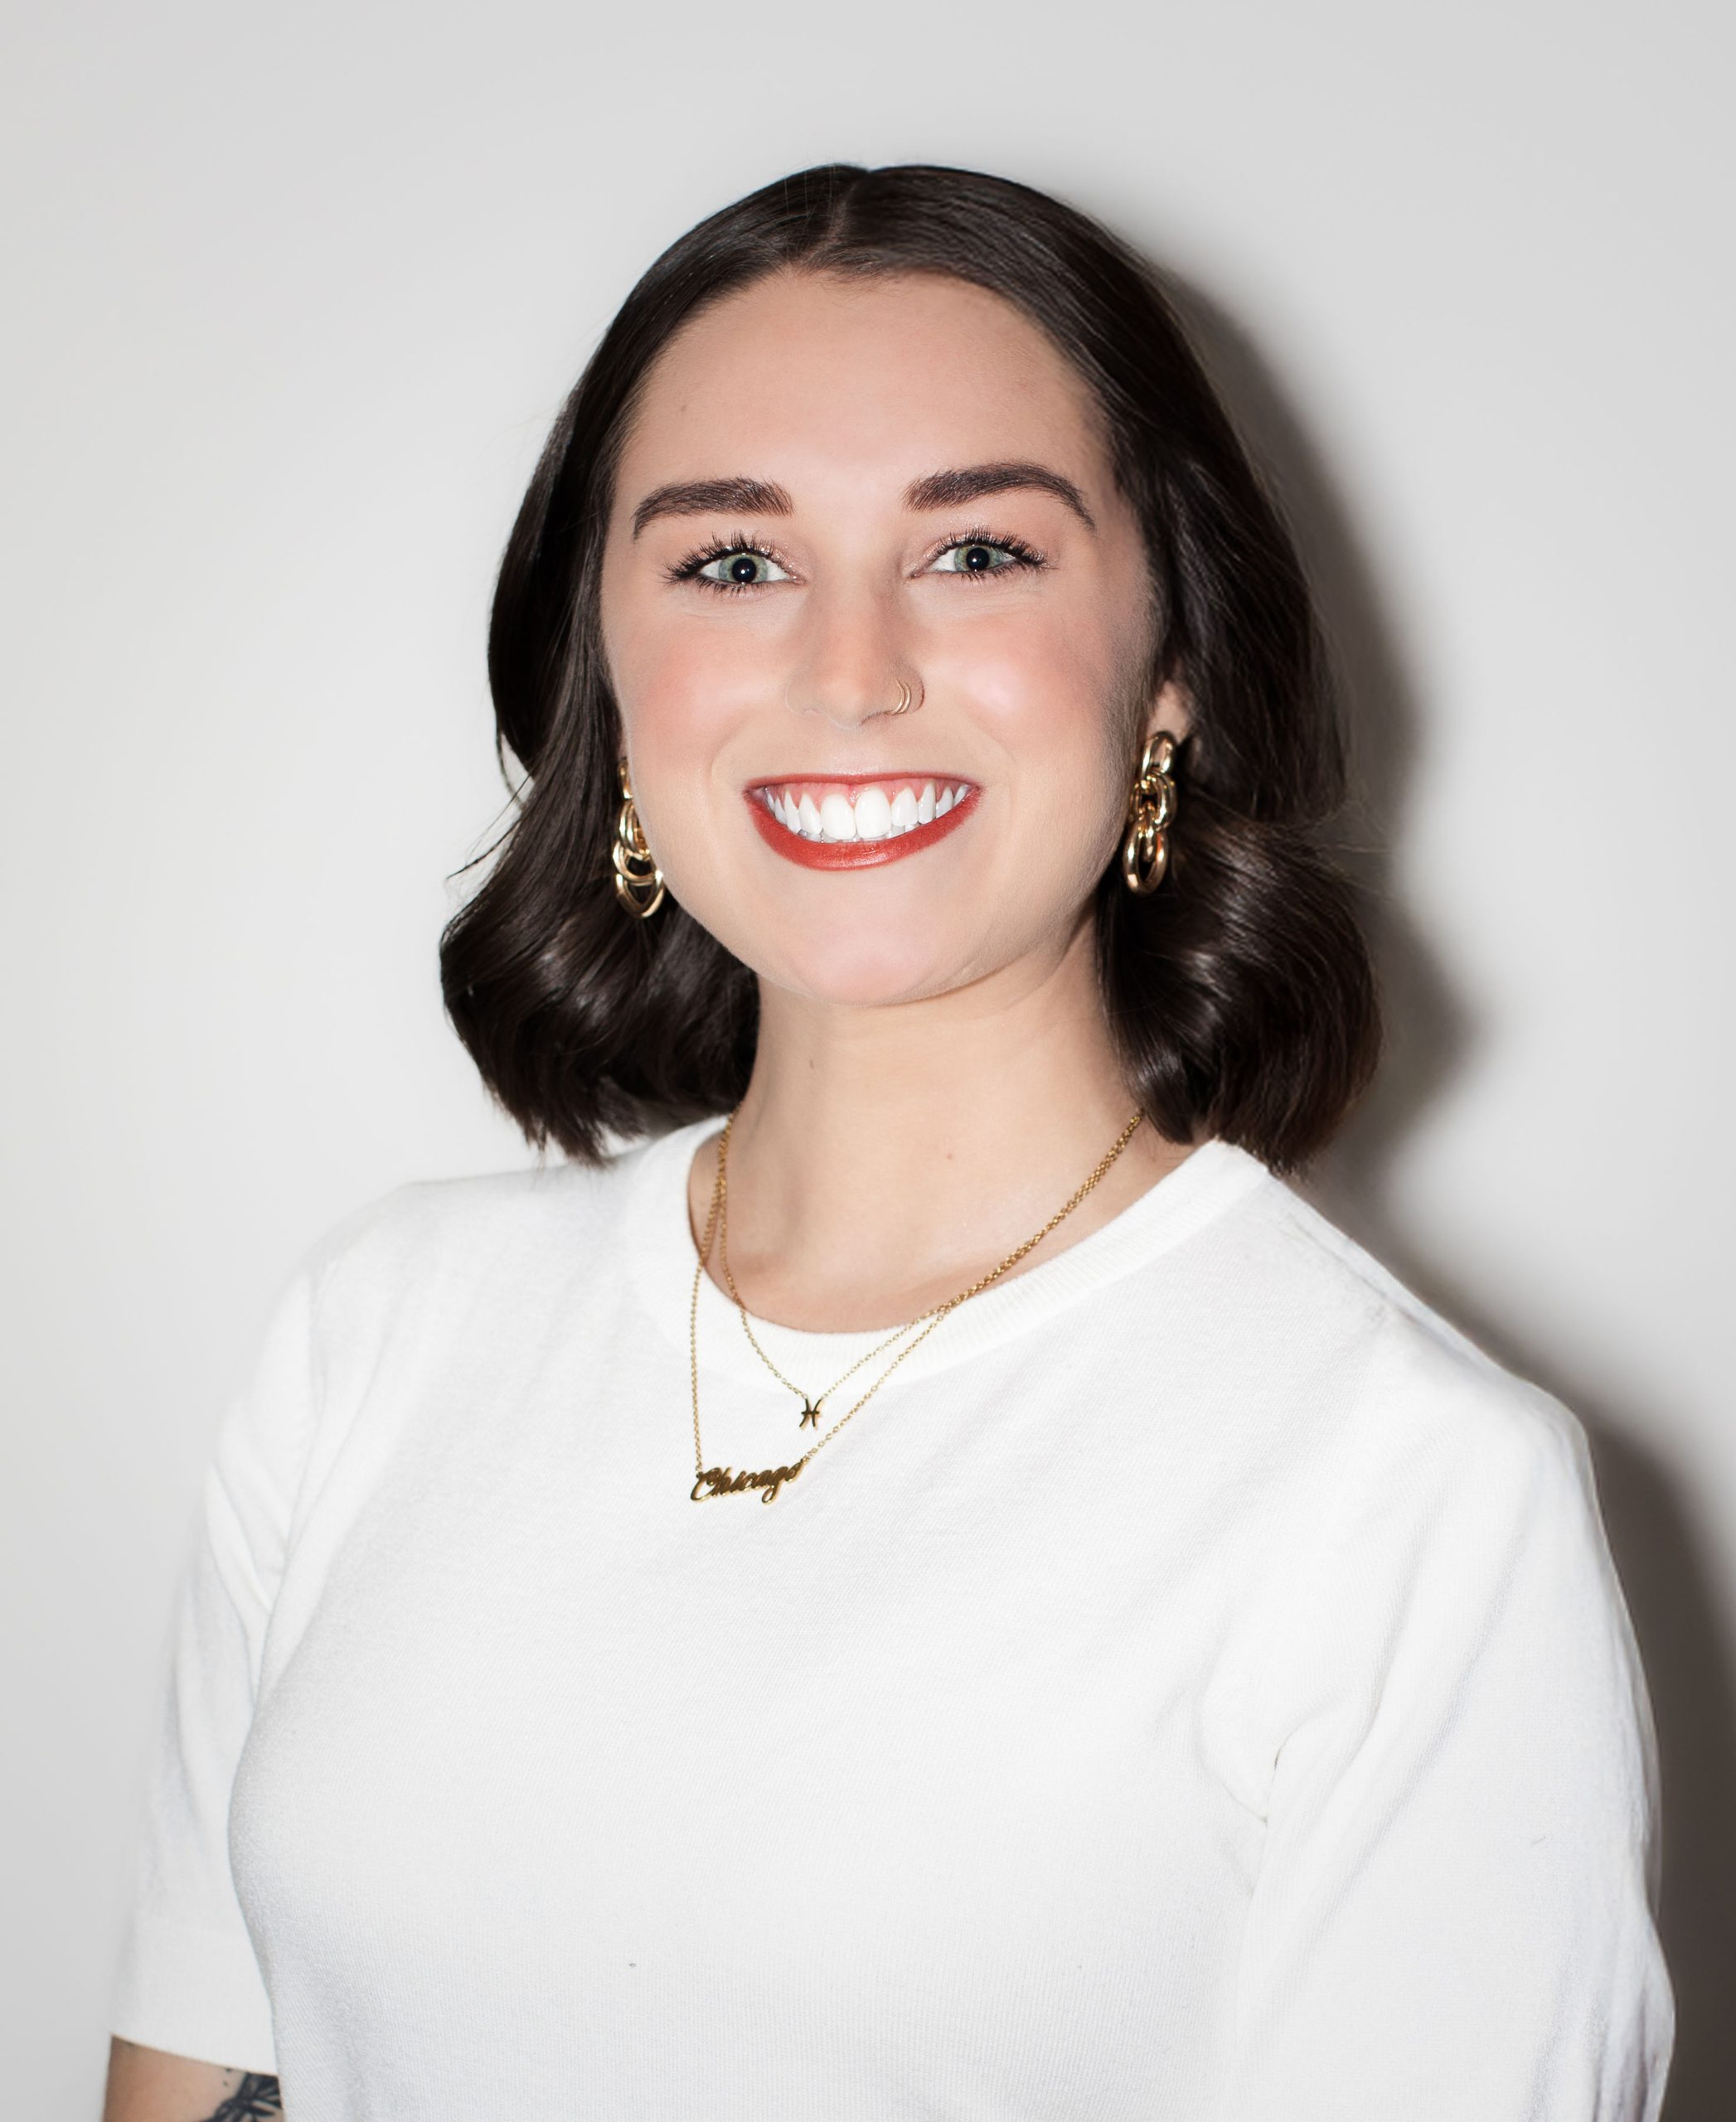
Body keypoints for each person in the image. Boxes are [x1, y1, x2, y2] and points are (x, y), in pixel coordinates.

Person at [103, 163, 1673, 2121]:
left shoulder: (1409, 1494)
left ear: (1171, 666)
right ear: (609, 678)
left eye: (981, 551)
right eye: (733, 564)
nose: (853, 670)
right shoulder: (379, 1334)